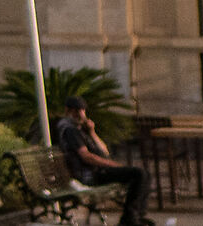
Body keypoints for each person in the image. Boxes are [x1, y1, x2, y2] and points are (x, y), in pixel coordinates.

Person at [53, 93, 151, 226]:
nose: (80, 114)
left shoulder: (81, 129)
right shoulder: (70, 130)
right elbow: (86, 157)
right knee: (139, 174)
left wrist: (92, 132)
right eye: (76, 111)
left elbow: (104, 150)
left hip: (98, 171)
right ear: (68, 111)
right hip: (90, 174)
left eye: (82, 110)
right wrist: (113, 165)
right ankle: (130, 219)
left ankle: (136, 216)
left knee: (144, 174)